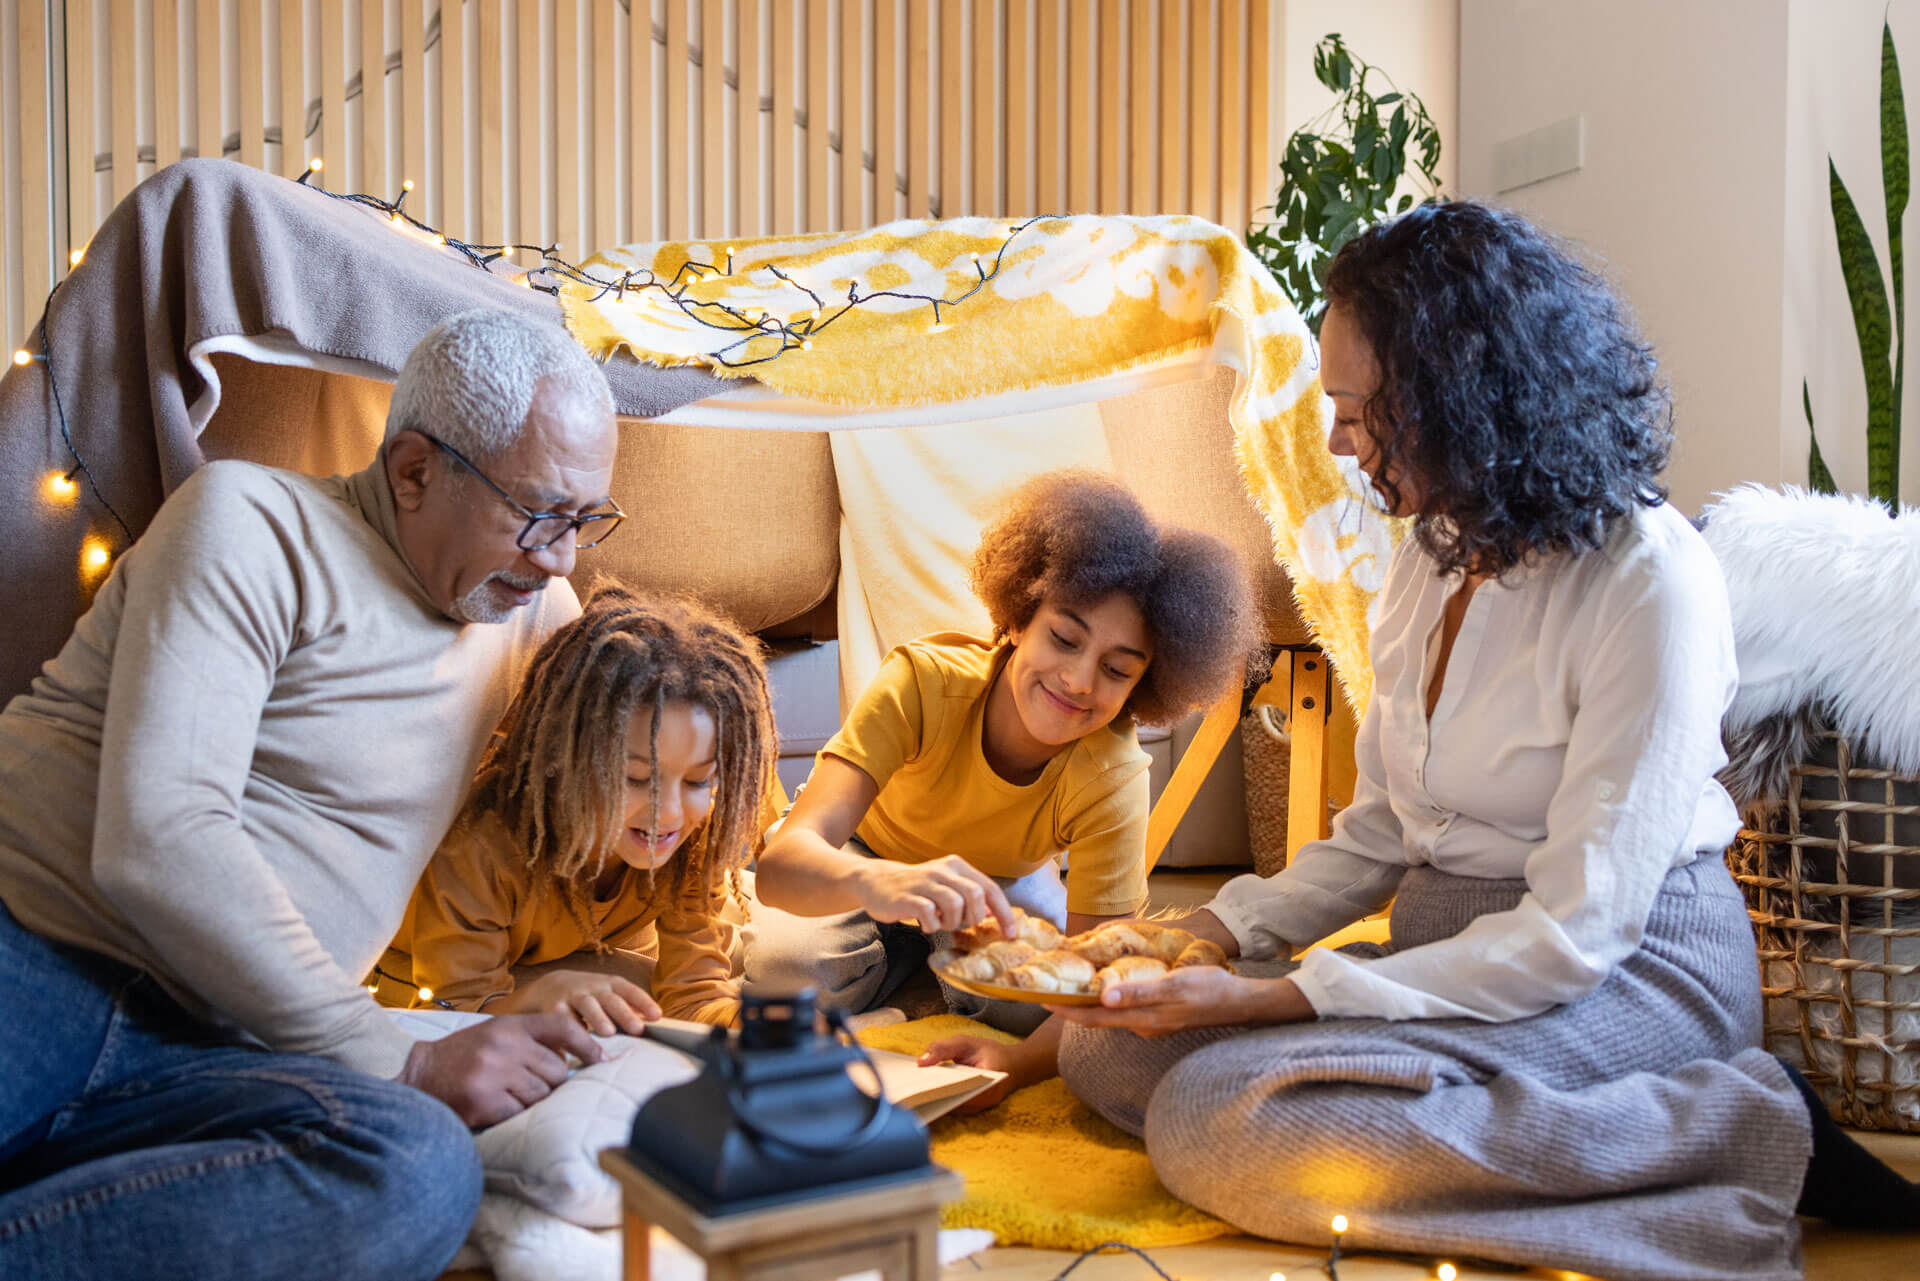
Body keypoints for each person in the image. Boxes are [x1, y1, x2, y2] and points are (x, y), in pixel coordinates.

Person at [928, 203, 1918, 1280]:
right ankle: (1470, 1118)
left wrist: (1276, 997)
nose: (1337, 439)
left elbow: (1574, 934)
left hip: (1621, 972)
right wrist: (1209, 932)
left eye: (1357, 407)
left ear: (1462, 394)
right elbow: (1383, 832)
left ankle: (1730, 1131)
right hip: (1452, 948)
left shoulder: (1650, 582)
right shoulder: (1432, 556)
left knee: (1216, 1126)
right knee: (1108, 1046)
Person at [0, 309, 627, 1281]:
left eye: (585, 519)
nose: (561, 557)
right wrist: (404, 1059)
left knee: (417, 1169)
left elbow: (638, 734)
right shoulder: (251, 523)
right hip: (33, 959)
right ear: (414, 469)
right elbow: (160, 840)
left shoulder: (531, 604)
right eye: (538, 512)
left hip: (231, 1049)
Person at [746, 469, 1260, 1034]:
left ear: (1144, 684)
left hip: (1001, 882)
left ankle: (918, 969)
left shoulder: (1113, 773)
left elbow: (1097, 975)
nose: (1080, 680)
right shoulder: (921, 682)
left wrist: (1019, 1063)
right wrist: (879, 883)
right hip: (867, 856)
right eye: (1064, 639)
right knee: (786, 979)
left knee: (1036, 1006)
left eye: (1116, 670)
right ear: (1017, 619)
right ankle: (912, 969)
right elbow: (781, 868)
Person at [380, 581, 776, 1031]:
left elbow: (694, 994)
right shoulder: (482, 847)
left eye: (698, 780)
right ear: (561, 760)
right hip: (418, 976)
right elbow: (451, 1012)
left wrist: (760, 1031)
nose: (667, 812)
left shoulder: (689, 841)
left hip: (584, 955)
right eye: (636, 779)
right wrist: (542, 997)